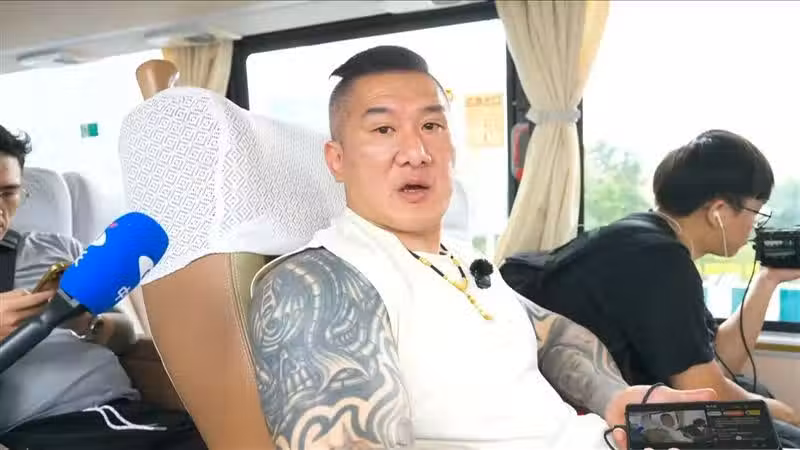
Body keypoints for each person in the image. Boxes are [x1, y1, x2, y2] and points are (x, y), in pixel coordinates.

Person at [246, 45, 716, 450]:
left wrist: (619, 399)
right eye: (384, 130)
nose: (416, 153)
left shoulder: (460, 259)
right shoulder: (319, 285)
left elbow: (551, 334)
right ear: (337, 159)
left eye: (431, 125)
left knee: (748, 432)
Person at [504, 130, 800, 444]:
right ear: (719, 212)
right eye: (756, 211)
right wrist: (788, 414)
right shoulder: (662, 260)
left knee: (757, 396)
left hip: (614, 391)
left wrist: (767, 280)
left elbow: (716, 363)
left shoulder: (648, 240)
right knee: (781, 432)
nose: (755, 225)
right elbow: (703, 390)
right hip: (594, 406)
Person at [0, 125, 206, 450]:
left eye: (8, 193)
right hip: (43, 432)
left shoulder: (58, 248)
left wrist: (87, 324)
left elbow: (127, 336)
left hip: (129, 413)